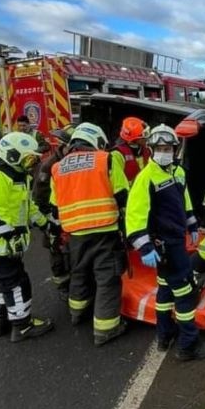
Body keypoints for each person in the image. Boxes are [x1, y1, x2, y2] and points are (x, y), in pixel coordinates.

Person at [126, 124, 205, 361]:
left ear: (175, 149)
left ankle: (165, 335)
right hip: (164, 244)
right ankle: (188, 345)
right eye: (160, 148)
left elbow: (183, 199)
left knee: (165, 288)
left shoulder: (178, 172)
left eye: (169, 148)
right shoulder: (146, 178)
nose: (165, 151)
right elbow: (135, 215)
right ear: (152, 149)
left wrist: (192, 223)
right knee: (185, 292)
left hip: (176, 239)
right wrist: (144, 246)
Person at [50, 123, 130, 346]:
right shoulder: (106, 159)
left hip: (75, 234)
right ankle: (106, 329)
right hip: (105, 230)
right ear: (96, 141)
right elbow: (123, 196)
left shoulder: (58, 167)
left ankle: (77, 313)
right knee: (107, 279)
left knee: (79, 273)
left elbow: (54, 207)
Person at [0, 132, 56, 342]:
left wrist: (46, 223)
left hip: (3, 247)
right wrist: (11, 237)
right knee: (17, 284)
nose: (31, 163)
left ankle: (0, 322)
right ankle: (22, 326)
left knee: (4, 285)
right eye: (28, 158)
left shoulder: (16, 175)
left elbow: (27, 207)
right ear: (11, 155)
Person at [32, 125, 75, 297]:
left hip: (72, 216)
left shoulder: (73, 161)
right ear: (63, 146)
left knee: (73, 252)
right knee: (57, 251)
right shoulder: (49, 165)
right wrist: (48, 222)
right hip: (54, 217)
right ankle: (63, 286)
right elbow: (39, 197)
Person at [110, 116, 151, 186]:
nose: (146, 138)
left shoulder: (147, 150)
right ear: (132, 139)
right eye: (144, 135)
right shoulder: (117, 154)